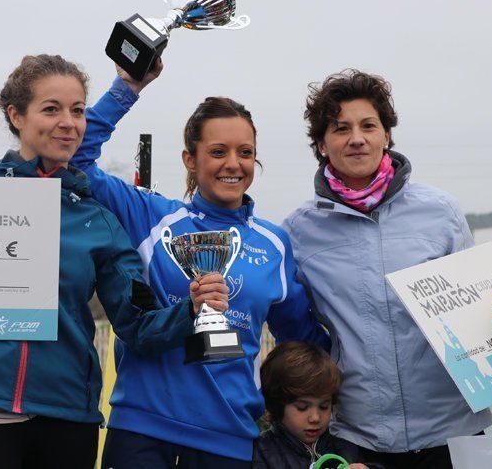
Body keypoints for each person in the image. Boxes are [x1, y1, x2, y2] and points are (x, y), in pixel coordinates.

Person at [0, 55, 229, 469]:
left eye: (78, 110)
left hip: (66, 416)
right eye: (51, 109)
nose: (68, 123)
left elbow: (137, 325)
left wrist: (190, 310)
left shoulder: (98, 220)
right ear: (16, 115)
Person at [70, 62, 330, 469]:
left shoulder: (274, 243)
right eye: (217, 152)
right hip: (142, 429)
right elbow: (77, 159)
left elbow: (303, 342)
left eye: (245, 153)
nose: (233, 164)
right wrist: (128, 87)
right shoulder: (150, 215)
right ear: (190, 159)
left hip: (228, 439)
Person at [283, 69, 492, 469]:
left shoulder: (441, 211)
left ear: (387, 135)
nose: (356, 138)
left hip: (454, 433)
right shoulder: (297, 232)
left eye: (368, 125)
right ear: (322, 145)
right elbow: (297, 331)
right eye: (340, 128)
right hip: (357, 439)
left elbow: (480, 313)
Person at [253, 341, 375, 469]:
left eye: (324, 406)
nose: (315, 418)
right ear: (277, 404)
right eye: (302, 407)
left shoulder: (344, 443)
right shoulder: (263, 451)